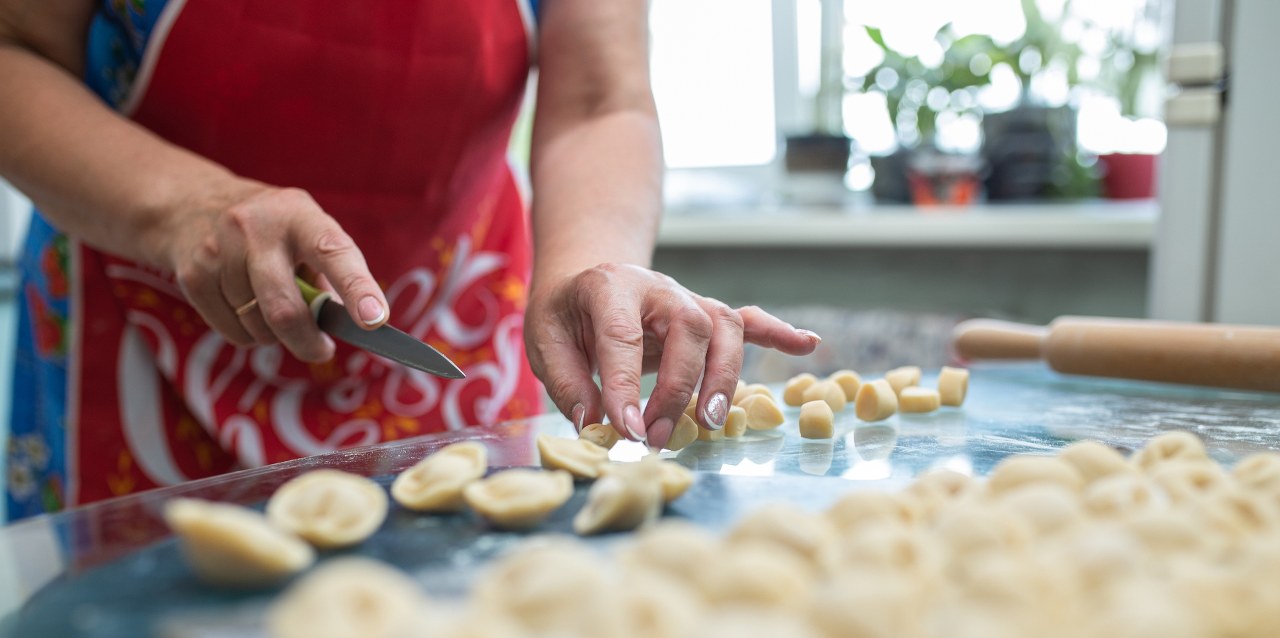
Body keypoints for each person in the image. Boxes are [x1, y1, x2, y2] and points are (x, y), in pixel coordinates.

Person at [0, 0, 818, 519]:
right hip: (143, 331)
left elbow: (601, 97)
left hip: (451, 337)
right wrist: (186, 207)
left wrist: (592, 263)